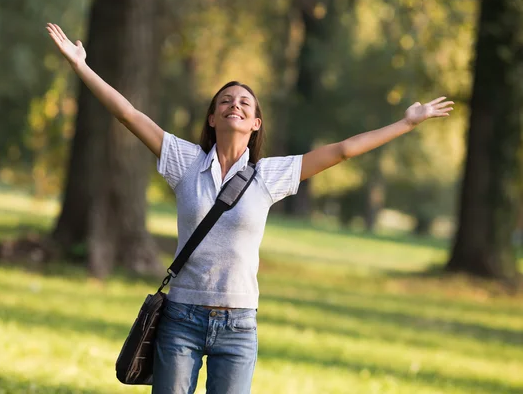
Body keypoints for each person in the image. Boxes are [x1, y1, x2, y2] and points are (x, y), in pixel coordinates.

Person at [46, 23, 453, 394]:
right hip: (180, 319)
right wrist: (82, 67)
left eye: (245, 103)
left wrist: (406, 123)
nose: (235, 105)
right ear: (212, 116)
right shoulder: (184, 162)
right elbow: (127, 114)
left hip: (237, 324)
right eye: (225, 101)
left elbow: (343, 151)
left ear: (256, 123)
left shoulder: (269, 175)